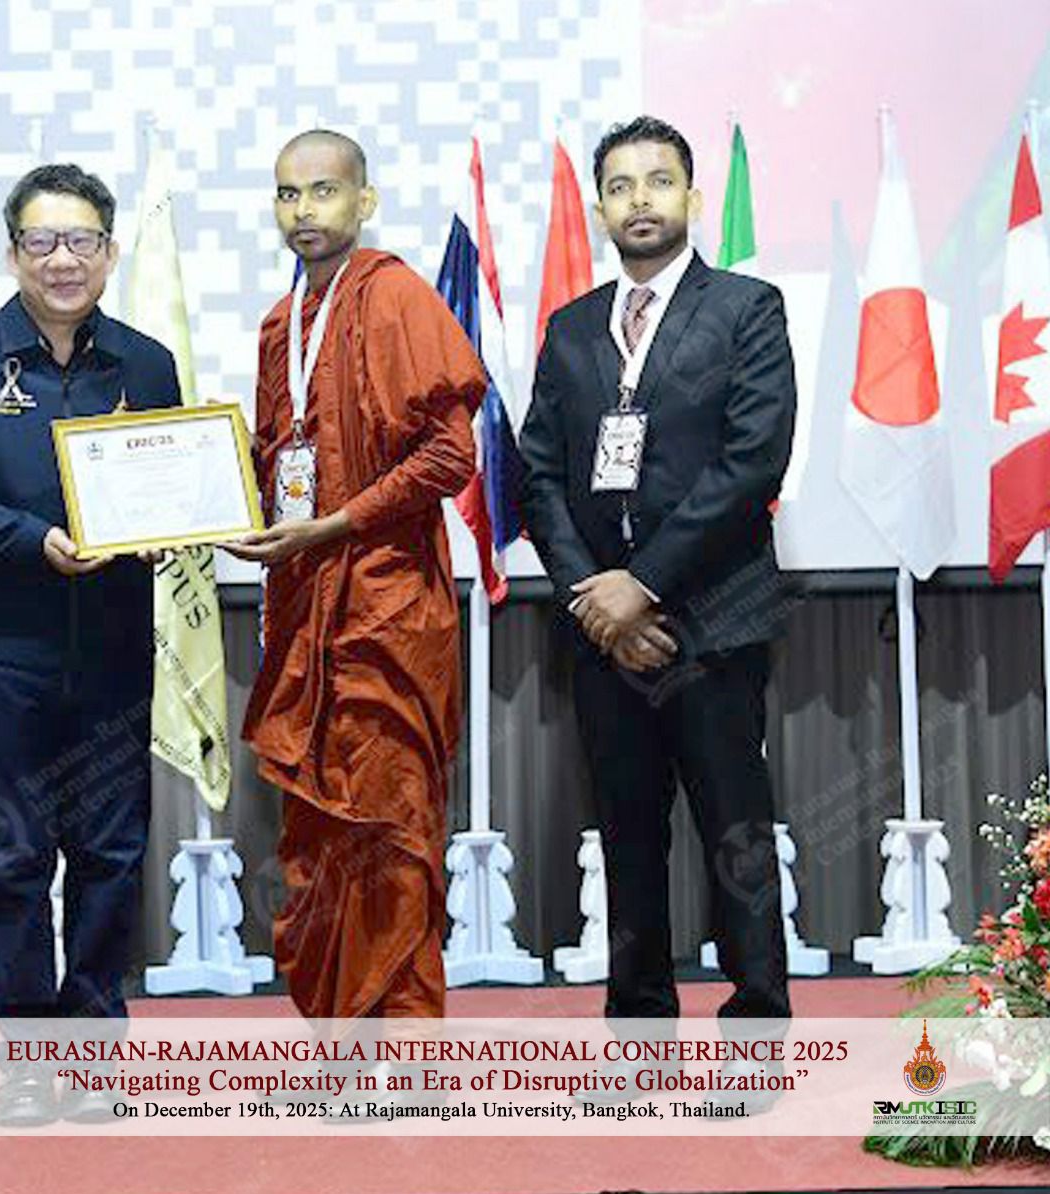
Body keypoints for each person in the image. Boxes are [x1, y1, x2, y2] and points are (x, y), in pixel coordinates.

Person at [0, 163, 180, 1125]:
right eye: (43, 241)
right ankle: (28, 1060)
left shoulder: (146, 365)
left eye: (82, 241)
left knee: (111, 853)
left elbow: (170, 483)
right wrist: (32, 541)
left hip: (114, 650)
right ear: (14, 251)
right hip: (3, 651)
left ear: (110, 250)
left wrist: (177, 521)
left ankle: (94, 1061)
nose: (64, 260)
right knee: (11, 859)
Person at [516, 117, 796, 1053]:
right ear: (601, 208)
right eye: (621, 186)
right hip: (603, 631)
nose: (640, 199)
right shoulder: (570, 328)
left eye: (659, 181)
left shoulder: (747, 309)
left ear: (692, 198)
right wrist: (597, 600)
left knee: (736, 834)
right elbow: (539, 475)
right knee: (628, 839)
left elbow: (751, 464)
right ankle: (639, 1031)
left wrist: (642, 585)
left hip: (713, 620)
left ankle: (755, 1035)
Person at [229, 130, 485, 1023]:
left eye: (324, 191)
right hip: (307, 613)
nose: (304, 210)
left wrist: (335, 526)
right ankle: (339, 1042)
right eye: (287, 194)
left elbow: (449, 455)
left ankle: (403, 1051)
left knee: (389, 828)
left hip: (386, 609)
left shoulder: (398, 296)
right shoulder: (281, 324)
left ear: (363, 201)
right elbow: (279, 460)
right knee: (319, 841)